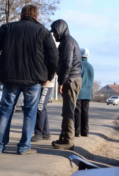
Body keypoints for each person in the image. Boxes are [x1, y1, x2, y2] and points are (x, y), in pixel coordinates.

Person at [0, 5, 58, 155]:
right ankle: (23, 147)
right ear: (36, 16)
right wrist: (49, 75)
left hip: (9, 77)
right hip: (33, 79)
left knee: (6, 110)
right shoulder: (42, 31)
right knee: (30, 112)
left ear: (21, 15)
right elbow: (53, 57)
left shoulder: (6, 28)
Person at [50, 19, 82, 150]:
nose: (54, 35)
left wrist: (61, 82)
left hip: (71, 80)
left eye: (55, 32)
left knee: (68, 111)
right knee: (66, 111)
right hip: (72, 78)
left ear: (61, 30)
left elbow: (67, 64)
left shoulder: (68, 42)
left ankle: (68, 140)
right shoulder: (67, 41)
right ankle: (64, 137)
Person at [75, 48, 94, 137]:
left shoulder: (79, 65)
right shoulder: (90, 66)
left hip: (79, 91)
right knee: (85, 112)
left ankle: (76, 131)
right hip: (88, 92)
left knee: (77, 111)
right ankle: (85, 131)